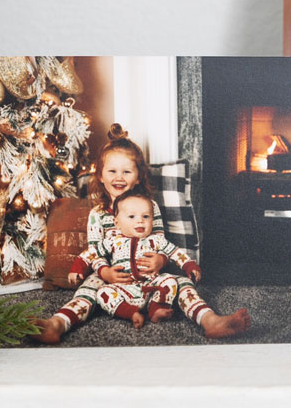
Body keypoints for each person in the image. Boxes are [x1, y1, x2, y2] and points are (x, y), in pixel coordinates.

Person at [31, 124, 251, 343]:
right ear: (100, 175)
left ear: (138, 177)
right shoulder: (98, 213)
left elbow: (160, 241)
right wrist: (105, 272)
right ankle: (57, 324)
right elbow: (95, 251)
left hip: (150, 277)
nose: (119, 177)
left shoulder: (150, 206)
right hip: (113, 279)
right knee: (89, 288)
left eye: (127, 171)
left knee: (182, 283)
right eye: (112, 171)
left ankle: (210, 321)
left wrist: (161, 260)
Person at [70, 189, 202, 329]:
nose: (140, 220)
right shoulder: (113, 241)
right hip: (124, 288)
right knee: (103, 293)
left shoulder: (155, 240)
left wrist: (189, 266)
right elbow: (91, 252)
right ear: (117, 223)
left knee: (169, 281)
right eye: (131, 216)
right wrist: (77, 267)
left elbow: (175, 252)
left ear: (153, 219)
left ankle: (157, 308)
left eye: (146, 216)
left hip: (151, 286)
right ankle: (130, 313)